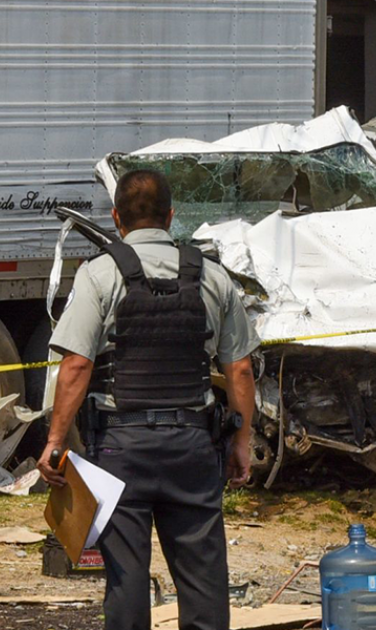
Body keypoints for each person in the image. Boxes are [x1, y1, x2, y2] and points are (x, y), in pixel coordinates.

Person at [36, 170, 259, 630]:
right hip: (193, 447)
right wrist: (242, 442)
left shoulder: (99, 274)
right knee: (204, 580)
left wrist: (55, 442)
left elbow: (76, 366)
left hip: (122, 449)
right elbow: (239, 368)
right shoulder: (212, 276)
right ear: (170, 216)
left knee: (126, 578)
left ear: (116, 218)